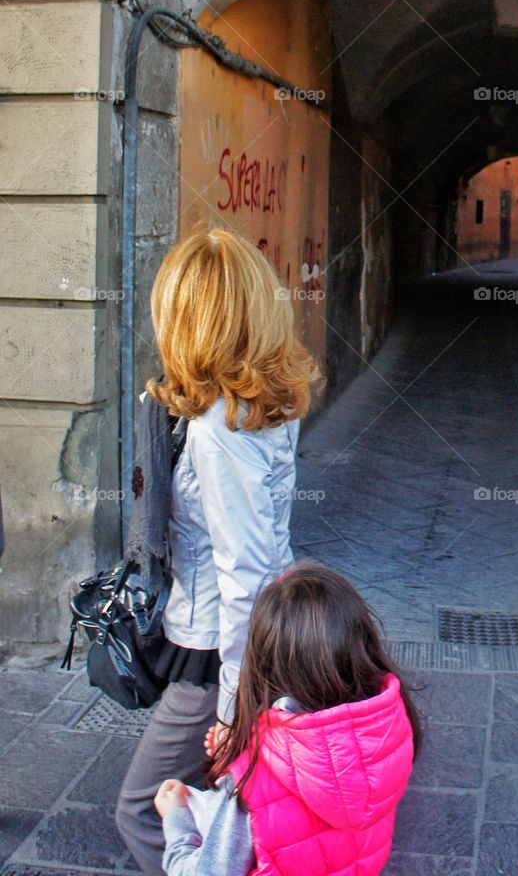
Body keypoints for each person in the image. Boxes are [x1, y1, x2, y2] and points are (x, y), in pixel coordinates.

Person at [116, 227, 320, 876]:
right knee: (224, 810)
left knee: (141, 809)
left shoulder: (217, 431)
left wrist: (238, 712)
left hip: (216, 652)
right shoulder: (263, 404)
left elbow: (245, 575)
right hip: (246, 642)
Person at [154, 563, 421, 876]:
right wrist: (242, 752)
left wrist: (178, 821)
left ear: (261, 666)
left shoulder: (247, 782)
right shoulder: (388, 729)